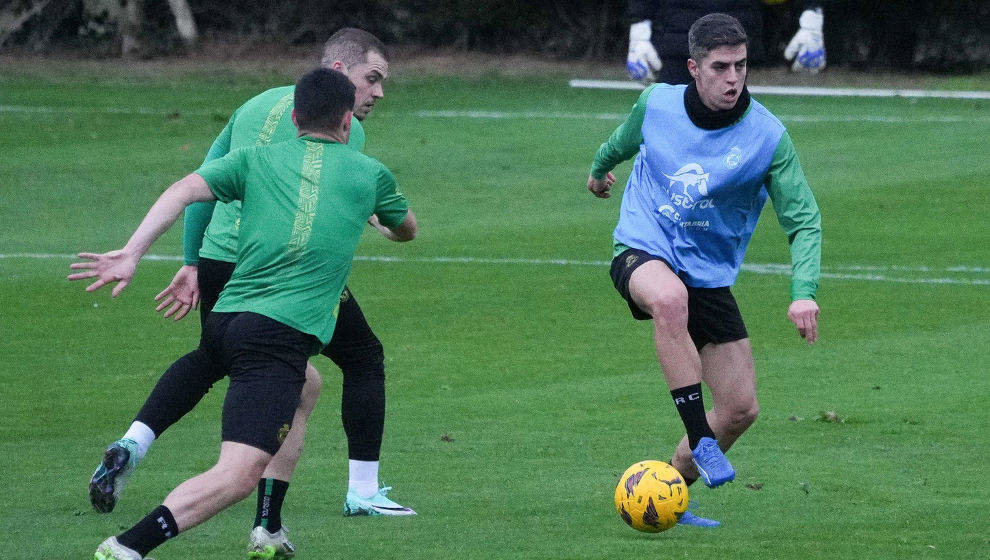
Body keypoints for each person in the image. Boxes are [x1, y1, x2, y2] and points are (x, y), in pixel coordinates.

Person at [87, 27, 414, 559]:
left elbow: (189, 187)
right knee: (238, 473)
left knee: (290, 383)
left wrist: (151, 254)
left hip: (231, 295)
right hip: (276, 326)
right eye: (371, 81)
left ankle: (266, 526)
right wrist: (380, 217)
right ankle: (125, 549)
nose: (376, 92)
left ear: (292, 117)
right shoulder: (362, 165)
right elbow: (403, 226)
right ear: (344, 111)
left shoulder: (254, 136)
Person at [589, 13, 821, 527]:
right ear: (693, 68)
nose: (733, 77)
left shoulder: (767, 137)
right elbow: (620, 143)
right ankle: (698, 436)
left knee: (740, 409)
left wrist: (803, 291)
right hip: (641, 249)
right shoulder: (657, 103)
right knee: (669, 299)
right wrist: (597, 171)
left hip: (708, 276)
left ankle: (667, 490)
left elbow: (804, 222)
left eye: (741, 65)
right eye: (720, 67)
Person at [626, 0, 826, 84]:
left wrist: (812, 17)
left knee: (725, 134)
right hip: (678, 39)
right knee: (670, 133)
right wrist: (639, 30)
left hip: (733, 38)